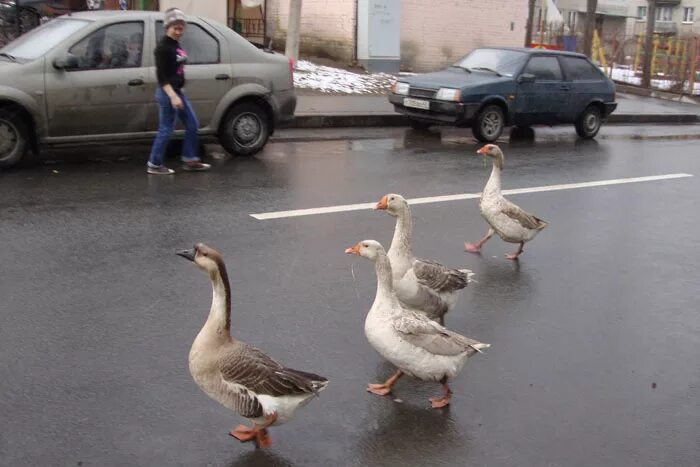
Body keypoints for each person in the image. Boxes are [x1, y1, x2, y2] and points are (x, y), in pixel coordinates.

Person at [147, 7, 210, 175]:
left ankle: (190, 159)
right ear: (167, 27)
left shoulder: (175, 45)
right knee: (166, 129)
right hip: (168, 93)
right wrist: (173, 95)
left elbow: (177, 69)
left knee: (192, 123)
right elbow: (161, 76)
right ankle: (154, 163)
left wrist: (180, 90)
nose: (178, 31)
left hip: (177, 92)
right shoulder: (163, 48)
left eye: (181, 28)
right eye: (175, 28)